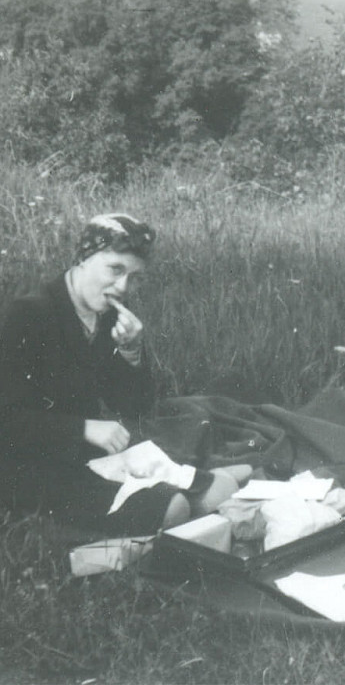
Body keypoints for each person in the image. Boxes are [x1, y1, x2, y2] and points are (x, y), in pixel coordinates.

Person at [0, 213, 248, 536]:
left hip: (87, 456)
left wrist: (131, 353)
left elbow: (135, 408)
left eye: (134, 276)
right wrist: (83, 428)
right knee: (175, 508)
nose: (122, 287)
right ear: (83, 258)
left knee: (220, 492)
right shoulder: (28, 314)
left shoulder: (104, 314)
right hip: (27, 467)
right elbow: (6, 420)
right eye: (115, 269)